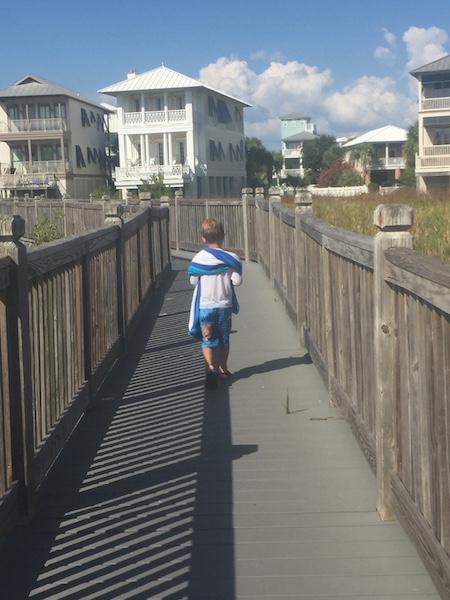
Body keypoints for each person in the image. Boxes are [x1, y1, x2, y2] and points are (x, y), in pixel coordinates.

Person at [188, 218, 243, 389]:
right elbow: (237, 281)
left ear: (203, 238)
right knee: (223, 339)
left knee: (207, 338)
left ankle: (210, 367)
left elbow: (193, 281)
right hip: (224, 304)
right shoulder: (231, 258)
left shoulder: (199, 259)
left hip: (205, 306)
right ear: (223, 237)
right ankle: (223, 368)